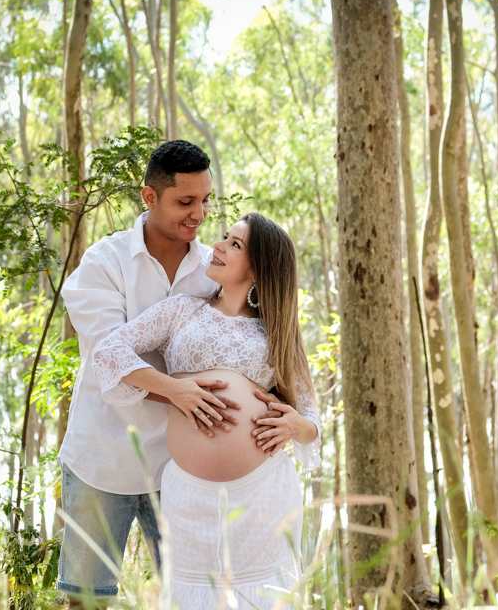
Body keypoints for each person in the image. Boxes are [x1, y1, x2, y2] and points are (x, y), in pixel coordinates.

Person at [93, 212, 321, 609]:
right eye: (223, 237)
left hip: (263, 494)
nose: (217, 245)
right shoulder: (182, 311)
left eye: (235, 244)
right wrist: (175, 390)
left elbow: (311, 421)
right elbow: (109, 353)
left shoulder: (278, 332)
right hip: (189, 496)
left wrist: (295, 425)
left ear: (259, 267)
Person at [58, 140, 252, 607]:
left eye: (205, 200)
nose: (199, 214)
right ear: (149, 198)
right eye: (185, 202)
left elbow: (249, 347)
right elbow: (108, 352)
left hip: (183, 468)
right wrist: (183, 393)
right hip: (102, 458)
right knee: (87, 599)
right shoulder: (103, 263)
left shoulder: (214, 271)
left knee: (193, 598)